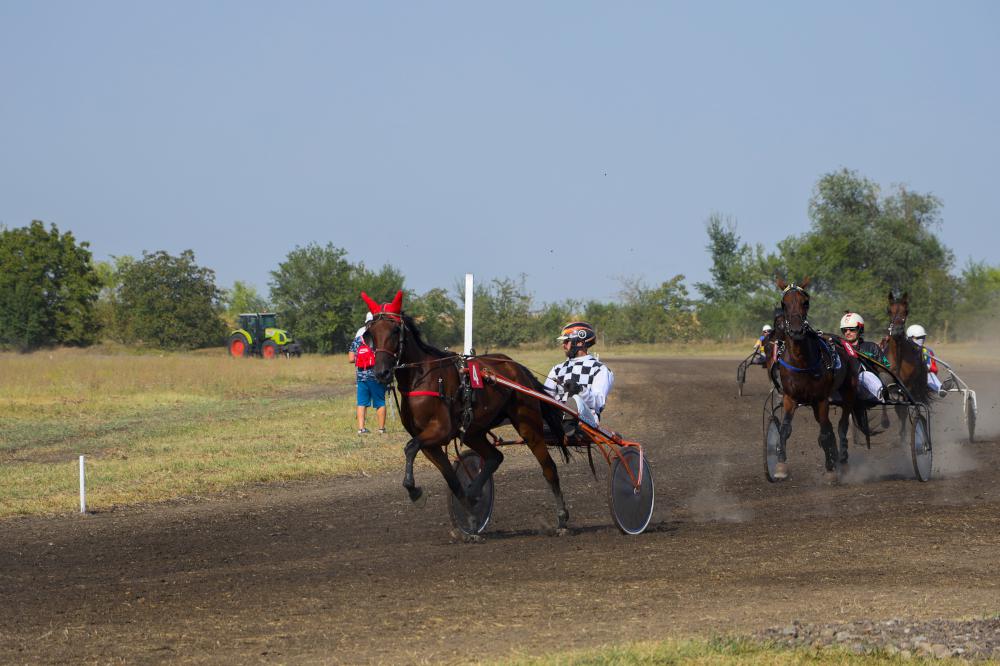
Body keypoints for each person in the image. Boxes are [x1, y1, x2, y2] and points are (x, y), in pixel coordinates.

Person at [544, 321, 614, 428]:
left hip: (585, 420)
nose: (563, 345)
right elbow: (546, 396)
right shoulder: (557, 369)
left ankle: (567, 423)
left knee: (574, 400)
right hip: (557, 417)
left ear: (580, 343)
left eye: (567, 341)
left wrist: (580, 390)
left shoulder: (600, 369)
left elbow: (599, 403)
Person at [348, 312, 387, 434]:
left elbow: (350, 359)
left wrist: (361, 359)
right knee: (380, 402)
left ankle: (361, 428)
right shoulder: (379, 339)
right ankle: (381, 429)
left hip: (361, 376)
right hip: (376, 375)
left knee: (361, 403)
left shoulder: (358, 340)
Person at [839, 311, 886, 402]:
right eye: (844, 330)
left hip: (865, 388)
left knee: (865, 375)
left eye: (851, 329)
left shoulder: (872, 347)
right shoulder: (838, 348)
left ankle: (882, 395)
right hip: (844, 386)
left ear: (860, 329)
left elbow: (886, 367)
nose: (847, 333)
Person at [907, 324, 947, 396]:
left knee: (929, 374)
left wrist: (927, 367)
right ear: (910, 338)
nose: (921, 339)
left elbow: (934, 369)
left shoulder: (928, 351)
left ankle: (940, 389)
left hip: (922, 377)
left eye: (923, 337)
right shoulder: (903, 351)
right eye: (918, 338)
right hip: (906, 378)